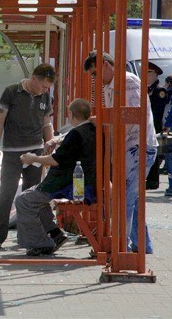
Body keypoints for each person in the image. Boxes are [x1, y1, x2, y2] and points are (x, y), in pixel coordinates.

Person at [84, 51, 158, 254]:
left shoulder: (128, 81)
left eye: (95, 73)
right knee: (130, 197)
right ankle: (142, 244)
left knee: (124, 198)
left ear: (107, 65)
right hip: (131, 147)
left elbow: (131, 116)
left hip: (137, 146)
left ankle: (120, 247)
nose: (95, 78)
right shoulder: (110, 86)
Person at [0, 63, 55, 250]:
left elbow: (46, 122)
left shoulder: (45, 96)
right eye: (43, 85)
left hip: (36, 151)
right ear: (34, 78)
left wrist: (50, 144)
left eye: (48, 87)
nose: (45, 89)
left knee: (32, 195)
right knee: (6, 193)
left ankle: (30, 239)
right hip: (12, 152)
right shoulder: (11, 92)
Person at [16, 98, 96, 256]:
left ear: (71, 114)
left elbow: (55, 160)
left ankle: (40, 243)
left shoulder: (76, 134)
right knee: (33, 198)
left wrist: (33, 158)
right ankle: (55, 234)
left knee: (24, 201)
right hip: (81, 180)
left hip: (69, 184)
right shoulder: (90, 130)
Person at [145, 62, 167, 190]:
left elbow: (157, 110)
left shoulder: (160, 91)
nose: (145, 75)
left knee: (154, 154)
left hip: (155, 125)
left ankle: (153, 181)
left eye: (148, 73)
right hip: (149, 124)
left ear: (155, 74)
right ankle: (150, 179)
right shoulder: (148, 89)